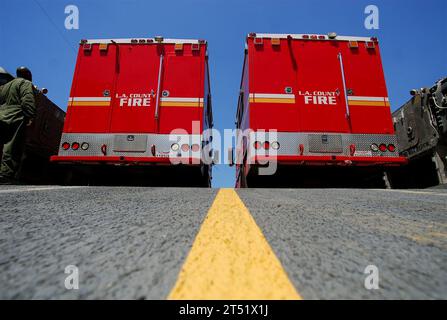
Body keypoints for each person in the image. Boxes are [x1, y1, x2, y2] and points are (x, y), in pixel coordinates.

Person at [0, 67, 37, 184]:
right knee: (12, 146)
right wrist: (30, 116)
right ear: (27, 75)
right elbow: (28, 100)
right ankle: (6, 175)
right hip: (15, 117)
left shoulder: (5, 86)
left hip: (2, 115)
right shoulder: (25, 83)